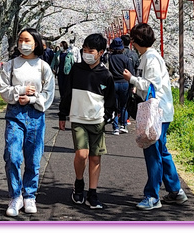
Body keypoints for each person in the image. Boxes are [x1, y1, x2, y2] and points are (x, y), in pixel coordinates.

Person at [122, 23, 189, 210]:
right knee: (162, 151)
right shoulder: (149, 56)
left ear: (135, 41)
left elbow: (152, 85)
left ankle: (152, 196)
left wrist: (132, 79)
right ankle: (175, 191)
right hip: (162, 111)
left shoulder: (150, 58)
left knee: (153, 153)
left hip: (156, 112)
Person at [0, 28, 55, 217]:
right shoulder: (11, 65)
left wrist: (31, 99)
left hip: (36, 115)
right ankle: (15, 195)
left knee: (33, 157)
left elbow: (48, 95)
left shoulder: (43, 67)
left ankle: (29, 195)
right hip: (15, 114)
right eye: (20, 40)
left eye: (27, 40)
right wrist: (20, 91)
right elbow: (3, 90)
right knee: (13, 155)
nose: (23, 43)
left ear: (36, 43)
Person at [60, 33, 116, 210]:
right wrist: (62, 114)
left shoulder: (106, 75)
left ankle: (93, 192)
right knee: (82, 154)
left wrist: (106, 117)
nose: (86, 53)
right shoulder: (76, 69)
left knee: (95, 157)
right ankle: (79, 183)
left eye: (90, 50)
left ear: (100, 52)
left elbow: (111, 101)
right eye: (84, 50)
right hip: (78, 119)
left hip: (97, 121)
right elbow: (67, 92)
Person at [106, 38, 133, 135]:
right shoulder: (126, 59)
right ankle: (124, 125)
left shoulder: (110, 58)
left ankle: (115, 127)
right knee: (124, 106)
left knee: (114, 106)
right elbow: (131, 73)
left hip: (113, 83)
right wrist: (132, 85)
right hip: (124, 83)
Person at [50, 41, 74, 129]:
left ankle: (65, 99)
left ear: (65, 46)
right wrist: (52, 68)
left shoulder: (69, 54)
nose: (60, 47)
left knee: (67, 89)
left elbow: (73, 63)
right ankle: (62, 99)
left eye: (61, 46)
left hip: (67, 73)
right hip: (60, 73)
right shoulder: (57, 54)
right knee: (61, 88)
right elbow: (53, 62)